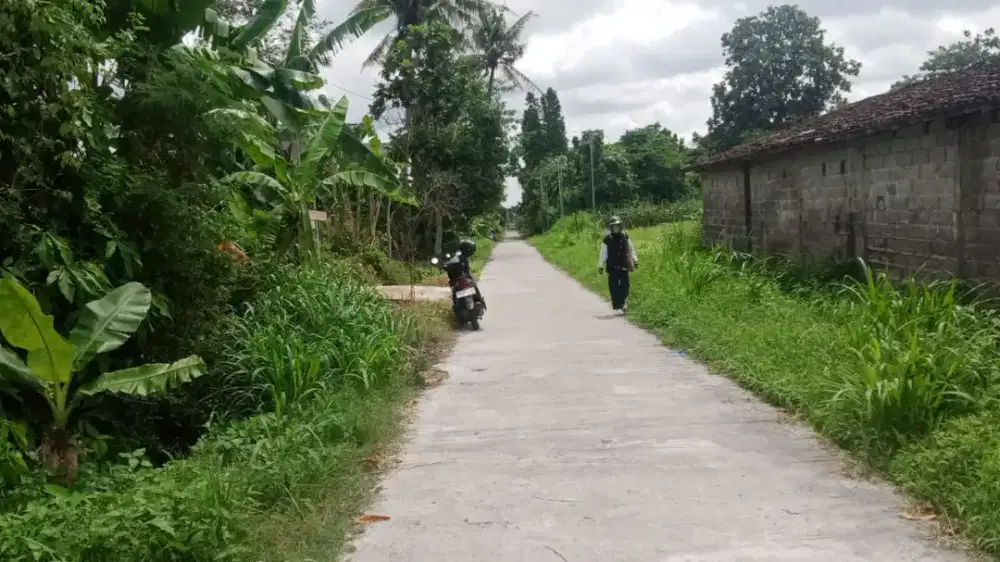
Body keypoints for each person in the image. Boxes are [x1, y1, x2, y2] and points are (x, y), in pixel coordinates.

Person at [597, 215, 637, 312]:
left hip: (624, 266)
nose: (616, 229)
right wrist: (601, 265)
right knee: (614, 287)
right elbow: (603, 253)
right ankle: (618, 304)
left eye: (617, 226)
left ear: (620, 226)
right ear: (610, 228)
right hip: (612, 267)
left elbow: (631, 249)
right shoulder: (607, 240)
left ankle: (624, 302)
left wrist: (635, 260)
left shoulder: (625, 237)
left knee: (625, 286)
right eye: (613, 227)